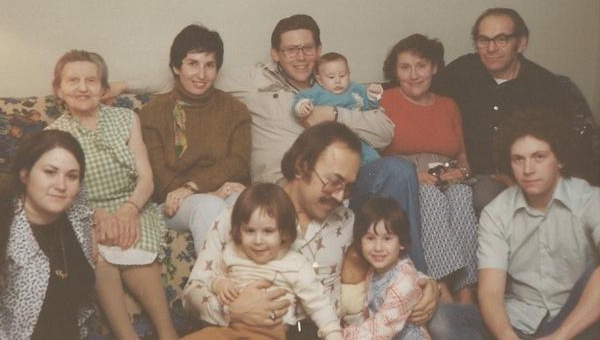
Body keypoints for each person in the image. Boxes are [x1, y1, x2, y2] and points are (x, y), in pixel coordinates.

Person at [112, 14, 426, 273]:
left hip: (342, 185)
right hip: (286, 190)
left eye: (307, 48)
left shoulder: (339, 83)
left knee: (398, 169)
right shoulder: (252, 81)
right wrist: (122, 85)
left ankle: (411, 277)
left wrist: (333, 113)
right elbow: (188, 73)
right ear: (275, 53)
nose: (300, 57)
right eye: (290, 49)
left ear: (319, 49)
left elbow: (385, 132)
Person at [184, 122, 439, 340]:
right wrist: (231, 309)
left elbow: (388, 260)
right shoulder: (243, 216)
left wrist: (427, 285)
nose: (340, 196)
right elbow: (194, 290)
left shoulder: (349, 222)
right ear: (301, 166)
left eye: (348, 187)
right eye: (333, 182)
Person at [49, 50, 178, 340]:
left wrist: (129, 210)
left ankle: (168, 333)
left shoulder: (126, 118)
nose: (82, 87)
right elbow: (61, 191)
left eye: (91, 80)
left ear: (104, 88)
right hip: (84, 210)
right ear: (58, 88)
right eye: (73, 80)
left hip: (132, 204)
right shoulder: (55, 134)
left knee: (133, 244)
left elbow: (146, 177)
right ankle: (126, 336)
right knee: (99, 253)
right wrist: (97, 216)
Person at [433, 7, 598, 213]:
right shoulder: (463, 71)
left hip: (526, 178)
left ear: (521, 43)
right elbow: (419, 87)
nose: (491, 48)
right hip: (473, 176)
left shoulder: (545, 86)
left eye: (501, 39)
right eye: (483, 40)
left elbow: (563, 147)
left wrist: (524, 184)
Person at [478, 107, 600, 339]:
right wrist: (506, 336)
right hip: (522, 320)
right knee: (446, 318)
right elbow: (490, 292)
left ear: (560, 159)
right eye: (518, 159)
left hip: (580, 317)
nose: (527, 170)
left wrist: (560, 335)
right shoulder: (496, 212)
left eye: (539, 157)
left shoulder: (589, 199)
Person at [0, 130, 95, 339]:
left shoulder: (77, 210)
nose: (61, 185)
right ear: (24, 174)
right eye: (50, 172)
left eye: (72, 176)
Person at [381, 34, 478, 303]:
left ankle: (467, 290)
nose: (413, 75)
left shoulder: (449, 105)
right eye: (405, 67)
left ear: (434, 67)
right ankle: (442, 287)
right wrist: (415, 176)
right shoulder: (384, 101)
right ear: (395, 71)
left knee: (462, 196)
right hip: (405, 179)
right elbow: (371, 158)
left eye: (421, 65)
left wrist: (462, 173)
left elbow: (463, 157)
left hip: (450, 177)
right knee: (430, 197)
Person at [139, 24, 251, 254]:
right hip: (172, 203)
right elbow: (160, 180)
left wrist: (194, 187)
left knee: (245, 203)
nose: (201, 75)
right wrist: (207, 193)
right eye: (193, 64)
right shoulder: (153, 112)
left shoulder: (235, 109)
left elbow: (238, 163)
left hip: (220, 192)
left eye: (209, 65)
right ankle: (212, 286)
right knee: (210, 205)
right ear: (176, 67)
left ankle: (246, 283)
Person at [184, 183, 342, 340]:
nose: (258, 241)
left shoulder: (296, 264)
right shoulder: (232, 252)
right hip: (228, 327)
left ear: (284, 233)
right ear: (239, 231)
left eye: (268, 231)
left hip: (269, 333)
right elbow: (212, 277)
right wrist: (220, 285)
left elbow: (319, 304)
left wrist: (333, 333)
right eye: (250, 231)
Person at [342, 197, 430, 339]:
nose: (378, 248)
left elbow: (380, 331)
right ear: (360, 241)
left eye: (387, 239)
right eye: (370, 238)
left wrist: (340, 335)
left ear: (401, 242)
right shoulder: (376, 269)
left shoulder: (403, 282)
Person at [293, 52, 383, 164]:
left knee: (371, 156)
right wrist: (302, 106)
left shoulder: (357, 89)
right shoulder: (317, 92)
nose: (338, 81)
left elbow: (370, 108)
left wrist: (372, 95)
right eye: (331, 77)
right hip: (328, 138)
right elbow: (300, 99)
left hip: (356, 135)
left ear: (349, 74)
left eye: (342, 75)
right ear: (319, 80)